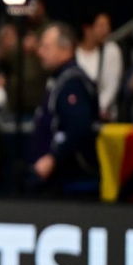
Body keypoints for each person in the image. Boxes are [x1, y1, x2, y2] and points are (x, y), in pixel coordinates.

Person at [30, 23, 100, 192]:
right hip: (57, 179)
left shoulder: (73, 83)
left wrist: (53, 158)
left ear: (65, 48)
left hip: (71, 182)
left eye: (46, 47)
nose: (40, 52)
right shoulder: (58, 78)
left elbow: (78, 127)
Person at [75, 11, 123, 121]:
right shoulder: (74, 52)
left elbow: (111, 87)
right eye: (101, 25)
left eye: (107, 25)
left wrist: (94, 110)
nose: (106, 30)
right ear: (87, 29)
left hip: (102, 117)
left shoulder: (111, 50)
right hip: (77, 114)